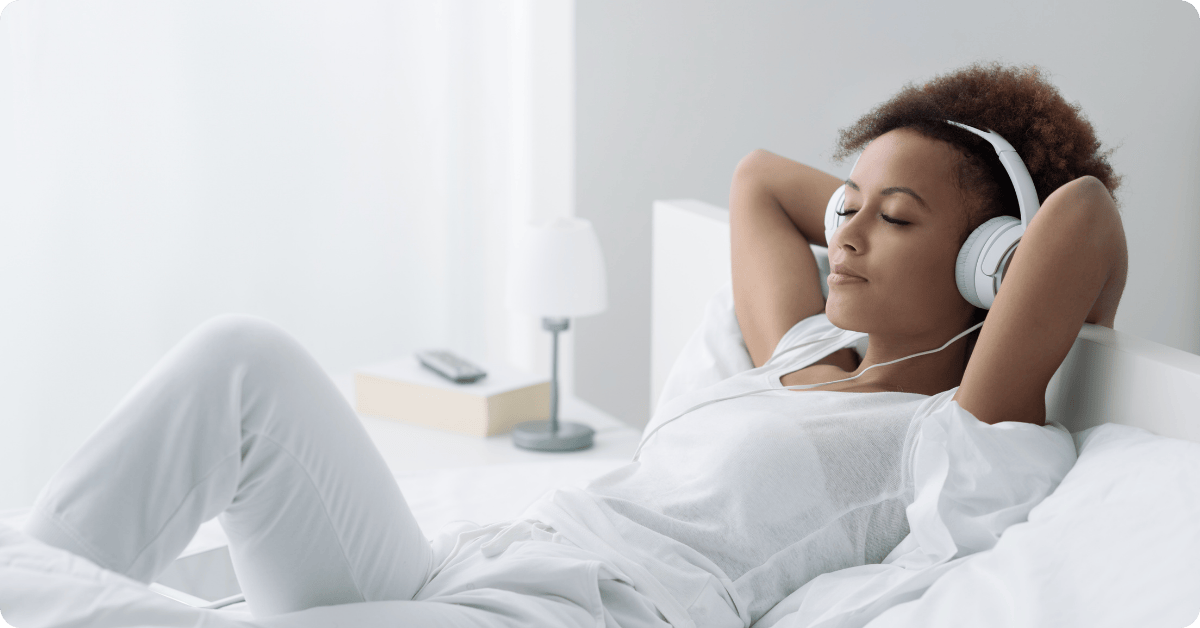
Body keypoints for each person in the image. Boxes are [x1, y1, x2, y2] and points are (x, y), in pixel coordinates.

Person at [14, 61, 1124, 628]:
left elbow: (1084, 219)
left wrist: (1002, 236)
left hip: (575, 616)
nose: (846, 230)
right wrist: (882, 190)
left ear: (990, 262)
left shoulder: (946, 434)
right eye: (848, 203)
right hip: (464, 572)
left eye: (897, 219)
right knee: (239, 358)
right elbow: (754, 180)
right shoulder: (796, 352)